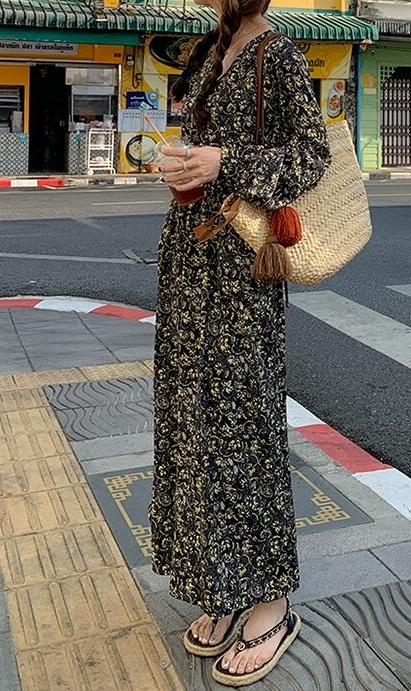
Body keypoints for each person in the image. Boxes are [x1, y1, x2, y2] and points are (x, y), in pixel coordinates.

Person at [148, 0, 331, 684]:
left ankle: (272, 602)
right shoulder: (209, 51)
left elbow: (310, 157)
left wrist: (223, 161)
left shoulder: (276, 56)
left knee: (242, 424)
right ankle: (223, 582)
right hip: (189, 263)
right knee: (192, 423)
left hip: (240, 272)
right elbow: (207, 155)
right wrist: (184, 167)